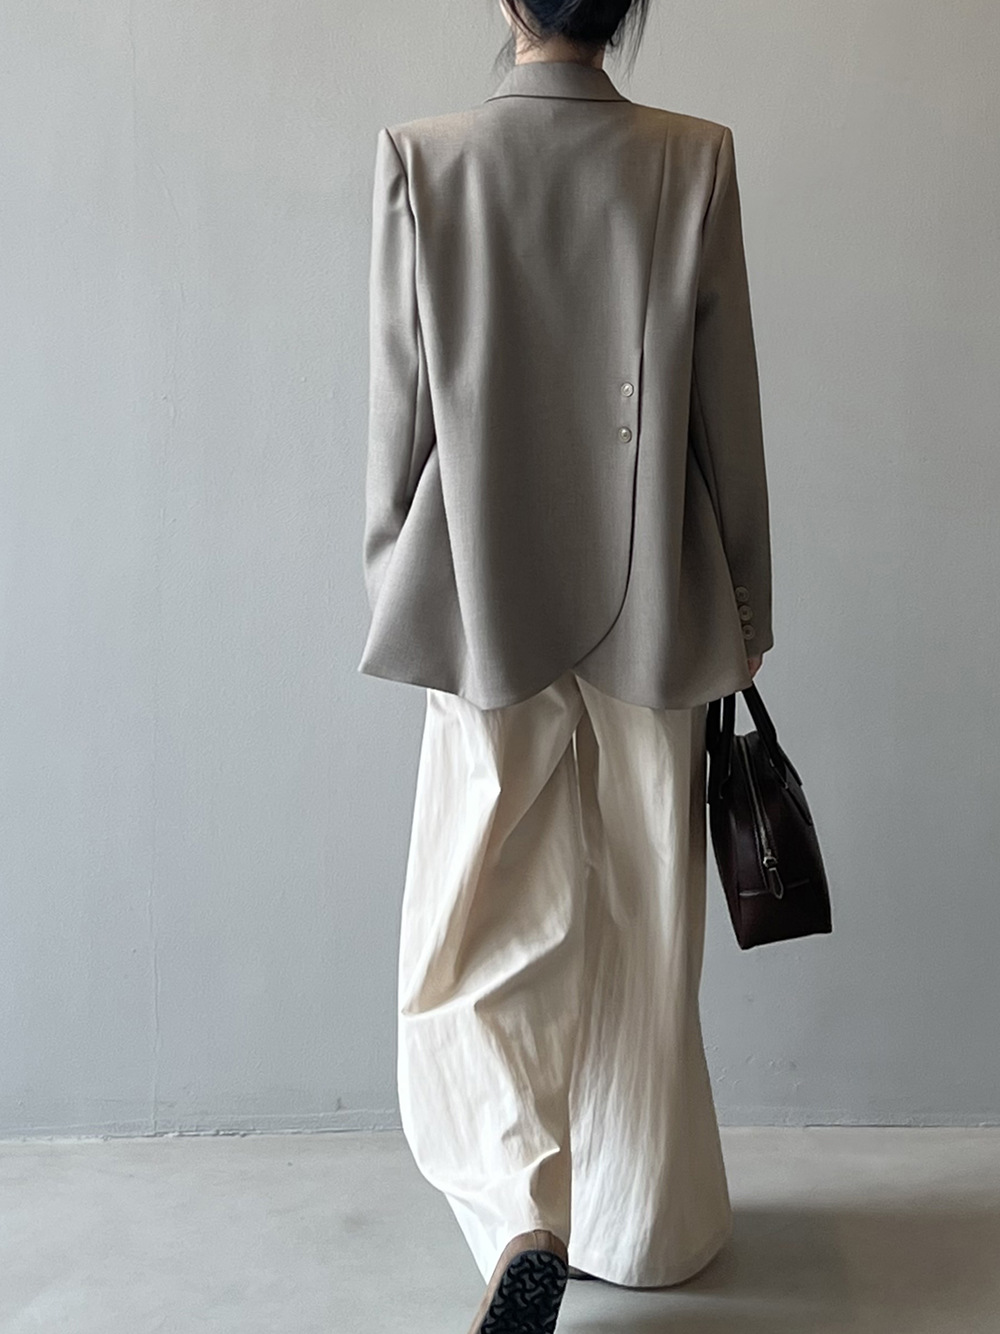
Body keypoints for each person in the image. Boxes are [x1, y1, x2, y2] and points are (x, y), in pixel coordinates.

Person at [358, 1, 772, 1329]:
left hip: (484, 596)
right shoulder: (694, 157)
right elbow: (727, 414)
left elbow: (400, 418)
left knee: (471, 927)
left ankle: (518, 1206)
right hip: (658, 598)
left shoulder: (424, 160)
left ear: (507, 2)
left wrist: (398, 580)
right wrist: (743, 608)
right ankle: (645, 1227)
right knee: (644, 917)